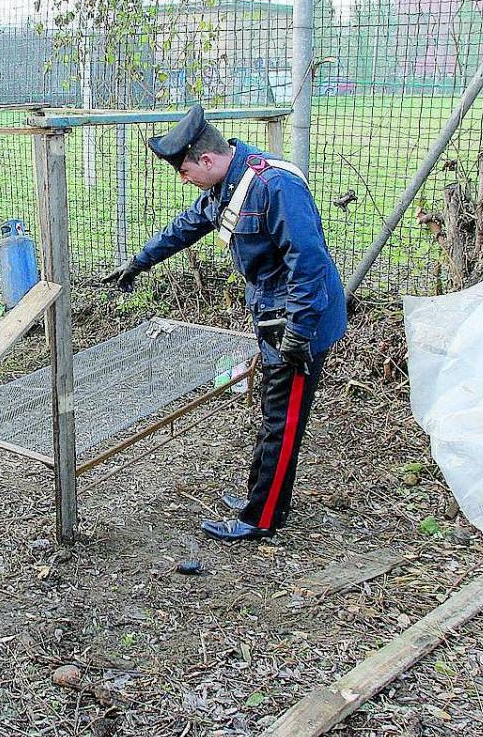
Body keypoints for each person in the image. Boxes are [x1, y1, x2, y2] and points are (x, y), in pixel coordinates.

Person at [103, 105, 346, 541]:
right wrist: (138, 264)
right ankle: (264, 496)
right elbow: (186, 227)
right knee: (276, 414)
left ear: (207, 160)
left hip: (297, 321)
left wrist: (299, 332)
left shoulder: (274, 186)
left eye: (184, 170)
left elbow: (308, 265)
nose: (183, 179)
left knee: (282, 420)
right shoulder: (226, 187)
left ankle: (261, 517)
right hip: (275, 314)